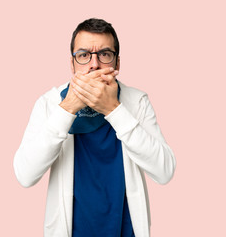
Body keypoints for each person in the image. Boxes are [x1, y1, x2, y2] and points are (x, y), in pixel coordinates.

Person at [13, 18, 176, 237]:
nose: (94, 64)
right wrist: (68, 108)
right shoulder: (49, 104)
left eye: (105, 54)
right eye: (83, 55)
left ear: (117, 63)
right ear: (72, 64)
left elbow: (164, 171)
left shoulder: (137, 102)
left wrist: (114, 110)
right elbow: (25, 175)